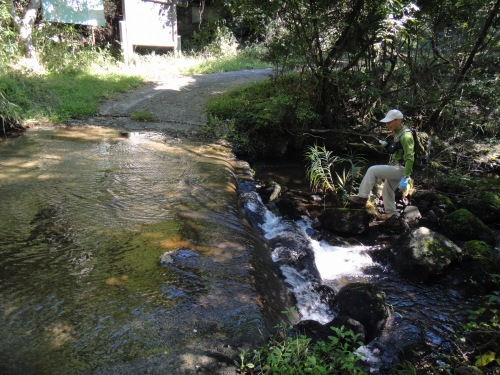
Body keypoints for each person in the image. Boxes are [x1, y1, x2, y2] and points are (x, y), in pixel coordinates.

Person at [347, 109, 414, 226]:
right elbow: (398, 149)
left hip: (401, 169)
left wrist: (405, 177)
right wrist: (387, 145)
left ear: (398, 121)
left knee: (372, 170)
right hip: (395, 166)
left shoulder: (406, 136)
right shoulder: (398, 133)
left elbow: (410, 158)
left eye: (390, 122)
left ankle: (362, 197)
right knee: (387, 190)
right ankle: (392, 217)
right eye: (387, 123)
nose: (387, 125)